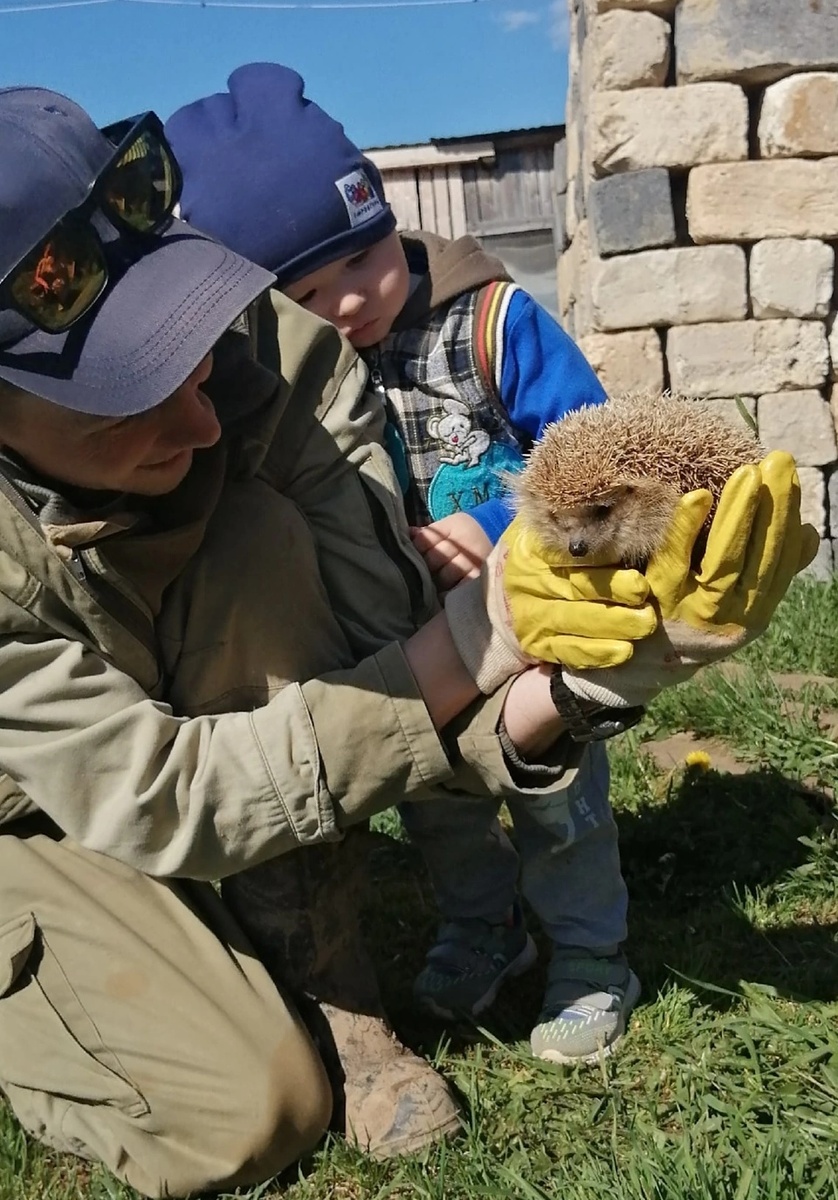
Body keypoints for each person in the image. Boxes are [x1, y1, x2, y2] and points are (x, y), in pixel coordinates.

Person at [0, 84, 815, 1199]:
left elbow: (384, 646)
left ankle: (334, 988)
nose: (201, 422)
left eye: (190, 356)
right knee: (253, 1115)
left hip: (174, 720)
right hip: (34, 802)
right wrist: (465, 646)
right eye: (123, 402)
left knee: (254, 528)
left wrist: (576, 685)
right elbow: (164, 788)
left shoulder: (274, 346)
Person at [164, 61, 644, 1066]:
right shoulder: (288, 382)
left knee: (556, 800)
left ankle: (592, 959)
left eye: (358, 263)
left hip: (535, 630)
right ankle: (484, 931)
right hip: (407, 645)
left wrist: (522, 525)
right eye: (302, 296)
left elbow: (606, 458)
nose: (343, 306)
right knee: (437, 813)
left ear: (386, 218)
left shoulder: (491, 326)